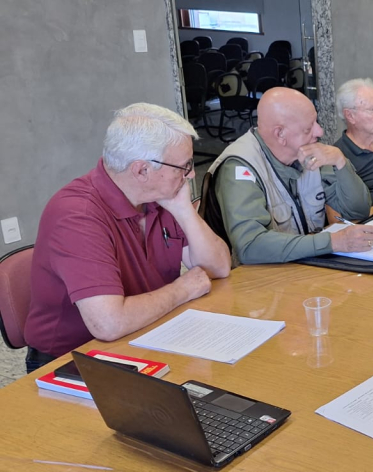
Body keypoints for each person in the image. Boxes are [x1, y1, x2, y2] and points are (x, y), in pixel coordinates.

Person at [23, 103, 232, 373]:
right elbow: (109, 324)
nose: (191, 174)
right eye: (184, 166)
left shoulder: (156, 195)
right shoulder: (77, 215)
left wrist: (183, 210)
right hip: (72, 361)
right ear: (141, 170)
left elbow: (218, 268)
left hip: (145, 333)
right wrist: (183, 289)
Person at [205, 87, 373, 265]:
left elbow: (357, 212)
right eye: (308, 128)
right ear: (280, 134)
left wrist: (341, 162)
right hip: (265, 276)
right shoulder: (239, 168)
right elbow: (250, 246)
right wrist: (332, 242)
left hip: (307, 265)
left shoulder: (307, 152)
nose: (319, 132)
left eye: (316, 122)